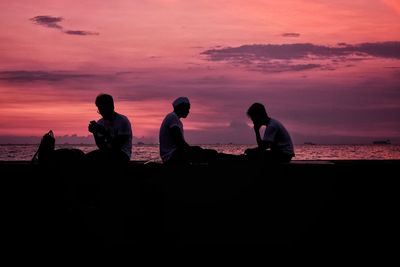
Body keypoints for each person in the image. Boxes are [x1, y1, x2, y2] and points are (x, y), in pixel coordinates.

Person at [159, 97, 217, 164]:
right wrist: (192, 150)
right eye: (187, 108)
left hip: (172, 155)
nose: (188, 111)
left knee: (203, 152)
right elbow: (179, 142)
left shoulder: (174, 119)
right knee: (210, 153)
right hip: (172, 156)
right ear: (181, 107)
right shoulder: (173, 117)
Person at [86, 94, 133, 164]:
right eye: (99, 110)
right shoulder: (100, 123)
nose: (101, 112)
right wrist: (95, 133)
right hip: (107, 153)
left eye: (103, 109)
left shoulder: (123, 121)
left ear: (111, 107)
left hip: (122, 155)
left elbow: (116, 147)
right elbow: (102, 147)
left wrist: (104, 133)